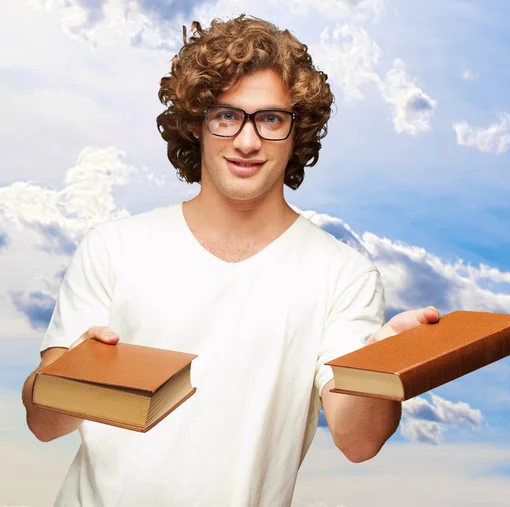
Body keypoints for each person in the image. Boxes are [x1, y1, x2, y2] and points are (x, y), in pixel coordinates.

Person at [22, 15, 440, 507]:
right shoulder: (113, 247)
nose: (247, 141)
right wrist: (73, 379)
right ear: (195, 124)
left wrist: (385, 363)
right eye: (226, 115)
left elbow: (359, 441)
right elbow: (43, 424)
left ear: (296, 133)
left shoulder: (343, 275)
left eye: (270, 119)